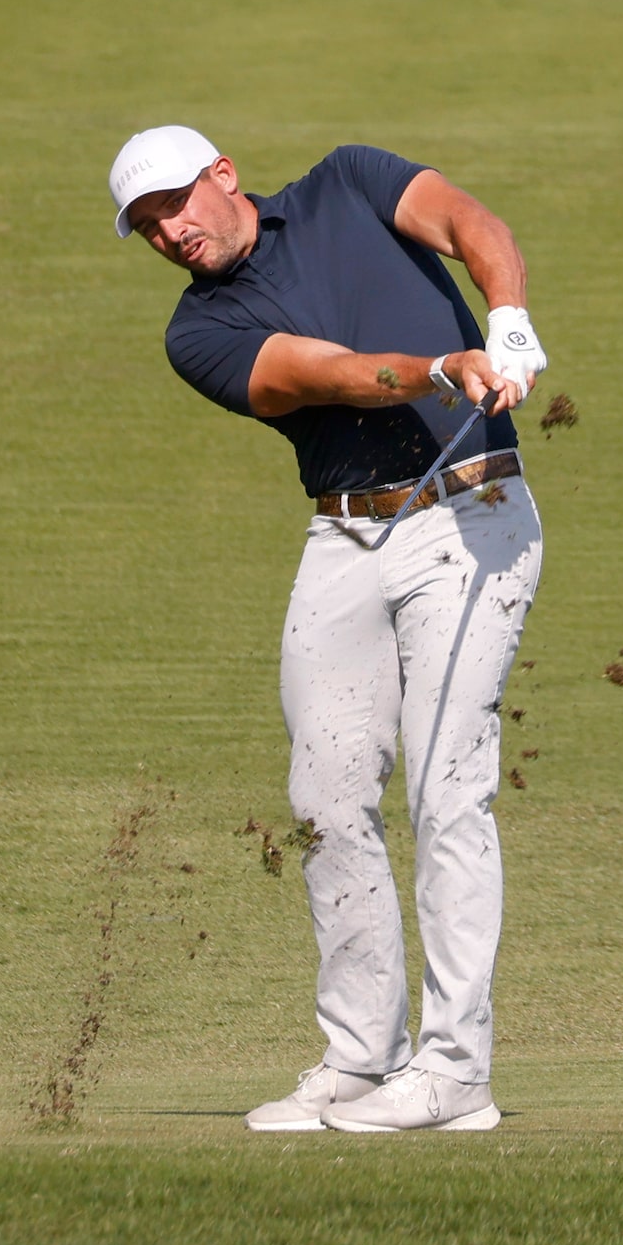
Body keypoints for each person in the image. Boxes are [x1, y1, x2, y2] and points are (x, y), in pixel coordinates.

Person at [108, 126, 547, 1133]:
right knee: (326, 797)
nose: (169, 231)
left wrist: (508, 322)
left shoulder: (349, 182)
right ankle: (360, 1058)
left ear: (222, 175)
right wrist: (443, 366)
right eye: (146, 226)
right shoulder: (196, 336)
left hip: (471, 518)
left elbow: (470, 224)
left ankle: (454, 1075)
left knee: (447, 789)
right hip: (345, 538)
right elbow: (330, 375)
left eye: (175, 202)